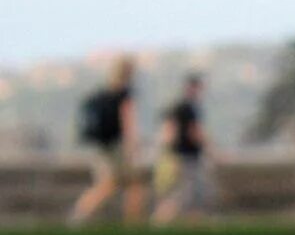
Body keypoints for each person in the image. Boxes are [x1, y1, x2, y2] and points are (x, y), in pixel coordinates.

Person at [69, 56, 146, 224]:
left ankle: (79, 214)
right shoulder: (124, 95)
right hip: (117, 147)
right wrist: (133, 148)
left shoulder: (104, 93)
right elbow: (128, 124)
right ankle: (132, 224)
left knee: (110, 184)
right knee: (131, 185)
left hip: (103, 146)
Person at [152, 73, 211, 224]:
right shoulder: (188, 108)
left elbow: (167, 133)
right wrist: (211, 150)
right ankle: (159, 222)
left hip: (176, 155)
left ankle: (194, 226)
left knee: (190, 196)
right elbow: (195, 133)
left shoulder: (177, 107)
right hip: (187, 156)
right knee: (185, 195)